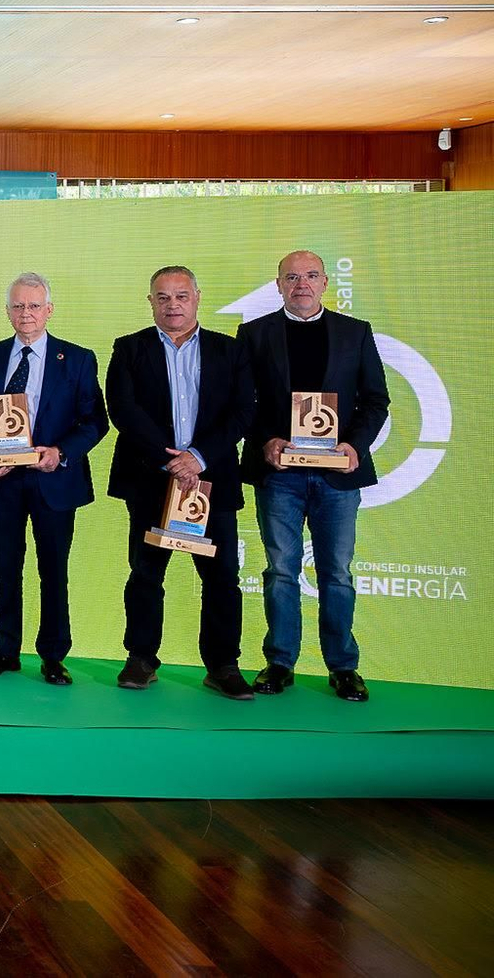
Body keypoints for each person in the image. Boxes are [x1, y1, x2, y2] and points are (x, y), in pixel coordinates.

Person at [238, 250, 390, 702]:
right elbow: (242, 400)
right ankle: (280, 662)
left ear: (325, 283)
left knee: (337, 573)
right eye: (291, 277)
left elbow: (376, 400)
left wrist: (353, 447)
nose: (301, 283)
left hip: (337, 477)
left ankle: (343, 667)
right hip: (279, 473)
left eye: (309, 276)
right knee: (281, 570)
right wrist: (265, 440)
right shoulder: (254, 334)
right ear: (278, 283)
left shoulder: (355, 333)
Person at [105, 265, 256, 700]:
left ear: (197, 297)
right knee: (146, 574)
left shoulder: (230, 351)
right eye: (163, 297)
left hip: (214, 481)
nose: (173, 304)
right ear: (150, 301)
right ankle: (141, 658)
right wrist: (173, 461)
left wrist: (198, 458)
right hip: (150, 480)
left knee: (222, 578)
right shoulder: (129, 349)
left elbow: (242, 412)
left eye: (181, 296)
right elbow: (123, 409)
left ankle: (223, 665)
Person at [0, 273, 108, 686]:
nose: (26, 314)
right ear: (7, 311)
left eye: (34, 306)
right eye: (18, 306)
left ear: (49, 310)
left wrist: (60, 453)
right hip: (2, 481)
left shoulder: (77, 358)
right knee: (5, 569)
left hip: (54, 481)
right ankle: (6, 650)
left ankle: (53, 655)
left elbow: (96, 420)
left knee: (53, 570)